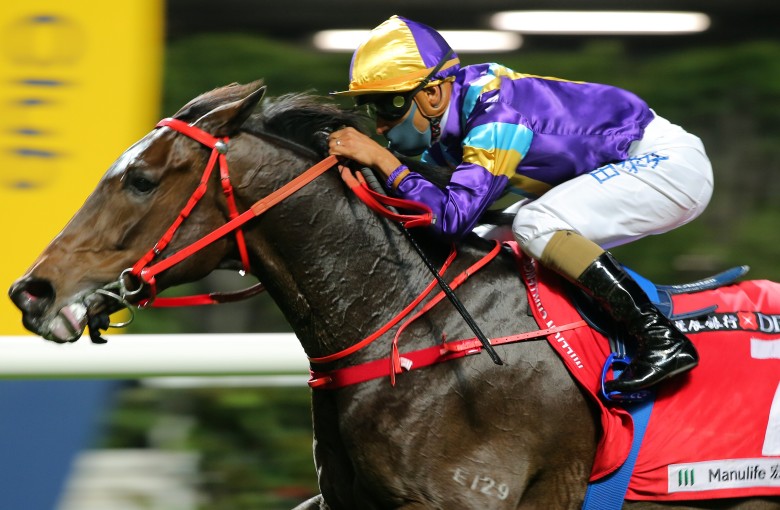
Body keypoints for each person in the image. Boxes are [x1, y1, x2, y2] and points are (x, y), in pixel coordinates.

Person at [327, 15, 713, 397]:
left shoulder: (497, 117)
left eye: (390, 105)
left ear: (433, 94)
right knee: (480, 243)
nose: (379, 125)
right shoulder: (454, 114)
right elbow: (446, 214)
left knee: (534, 222)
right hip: (628, 164)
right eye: (371, 108)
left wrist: (385, 161)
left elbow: (450, 218)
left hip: (668, 166)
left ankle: (659, 337)